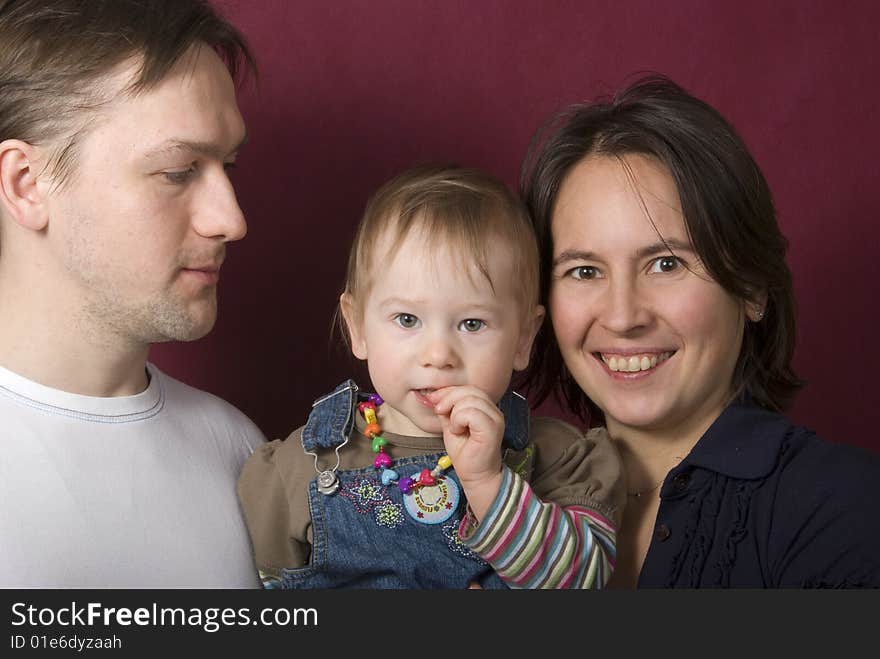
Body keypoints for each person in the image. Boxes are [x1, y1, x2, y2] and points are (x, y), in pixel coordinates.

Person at [521, 74, 880, 587]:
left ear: (753, 286)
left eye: (666, 264)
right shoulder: (495, 497)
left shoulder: (849, 509)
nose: (623, 317)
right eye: (584, 271)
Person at [237, 164, 624, 589]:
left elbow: (583, 583)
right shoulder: (303, 464)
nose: (438, 356)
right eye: (407, 319)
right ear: (359, 328)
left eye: (472, 324)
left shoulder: (560, 459)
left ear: (523, 338)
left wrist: (487, 483)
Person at [0, 0, 267, 587]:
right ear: (26, 184)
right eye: (178, 171)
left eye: (229, 167)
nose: (232, 220)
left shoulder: (241, 453)